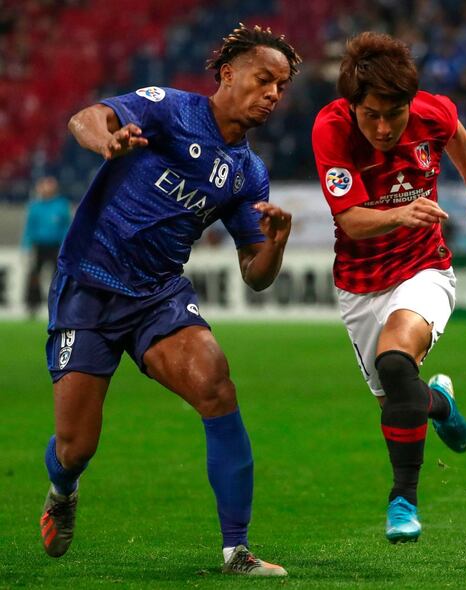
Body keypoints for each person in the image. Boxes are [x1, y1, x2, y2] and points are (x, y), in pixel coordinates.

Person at [38, 24, 301, 576]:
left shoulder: (248, 174)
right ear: (228, 74)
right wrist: (105, 141)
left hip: (157, 294)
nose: (274, 94)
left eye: (282, 86)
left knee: (216, 384)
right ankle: (62, 491)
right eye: (264, 79)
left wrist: (274, 245)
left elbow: (256, 275)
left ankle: (237, 550)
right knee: (75, 446)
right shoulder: (169, 108)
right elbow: (86, 117)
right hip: (89, 284)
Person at [311, 32, 466, 543]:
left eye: (394, 113)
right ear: (353, 106)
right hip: (360, 286)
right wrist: (400, 212)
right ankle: (439, 403)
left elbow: (455, 131)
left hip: (424, 268)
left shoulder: (430, 111)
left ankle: (403, 503)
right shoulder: (331, 128)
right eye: (372, 114)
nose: (384, 126)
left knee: (395, 363)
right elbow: (349, 220)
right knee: (401, 398)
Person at [21, 176, 72, 317]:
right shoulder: (35, 206)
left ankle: (59, 304)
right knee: (34, 276)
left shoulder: (61, 205)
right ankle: (32, 305)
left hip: (56, 246)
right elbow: (29, 228)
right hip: (39, 246)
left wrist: (66, 246)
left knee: (58, 276)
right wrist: (25, 247)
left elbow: (66, 227)